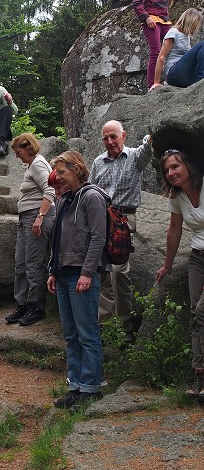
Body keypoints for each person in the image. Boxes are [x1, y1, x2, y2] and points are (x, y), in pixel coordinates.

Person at [47, 151, 109, 411]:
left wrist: (87, 272)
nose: (57, 177)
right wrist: (52, 269)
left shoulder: (92, 197)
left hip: (82, 274)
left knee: (87, 333)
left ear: (77, 170)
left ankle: (91, 388)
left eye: (62, 172)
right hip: (62, 273)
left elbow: (98, 238)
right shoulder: (65, 199)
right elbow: (57, 238)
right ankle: (76, 385)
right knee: (71, 335)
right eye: (57, 172)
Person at [90, 121, 153, 344]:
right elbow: (90, 190)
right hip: (102, 219)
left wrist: (150, 134)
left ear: (123, 136)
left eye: (113, 137)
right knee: (102, 273)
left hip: (125, 219)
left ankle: (126, 324)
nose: (109, 142)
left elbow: (149, 148)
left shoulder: (135, 157)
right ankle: (102, 325)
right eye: (105, 138)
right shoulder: (98, 162)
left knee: (118, 271)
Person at [156, 149, 204, 403]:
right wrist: (167, 265)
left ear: (188, 166)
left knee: (203, 310)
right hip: (198, 257)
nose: (172, 173)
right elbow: (174, 231)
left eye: (176, 166)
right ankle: (199, 374)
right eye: (167, 170)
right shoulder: (177, 196)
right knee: (196, 312)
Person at [5, 133, 56, 326]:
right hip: (26, 217)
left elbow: (50, 189)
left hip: (37, 217)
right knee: (21, 263)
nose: (17, 156)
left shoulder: (38, 164)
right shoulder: (31, 165)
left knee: (34, 263)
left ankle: (36, 307)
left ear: (28, 147)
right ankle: (23, 304)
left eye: (18, 152)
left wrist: (40, 217)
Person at [133, 0, 176, 89]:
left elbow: (164, 8)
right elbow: (136, 2)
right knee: (156, 52)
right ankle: (152, 85)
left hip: (165, 21)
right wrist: (146, 18)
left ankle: (171, 79)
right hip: (152, 22)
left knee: (173, 48)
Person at [151, 8, 203, 89]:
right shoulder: (174, 32)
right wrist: (156, 82)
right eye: (196, 24)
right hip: (173, 73)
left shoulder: (187, 37)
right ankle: (201, 79)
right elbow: (161, 57)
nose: (197, 27)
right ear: (191, 21)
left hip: (185, 77)